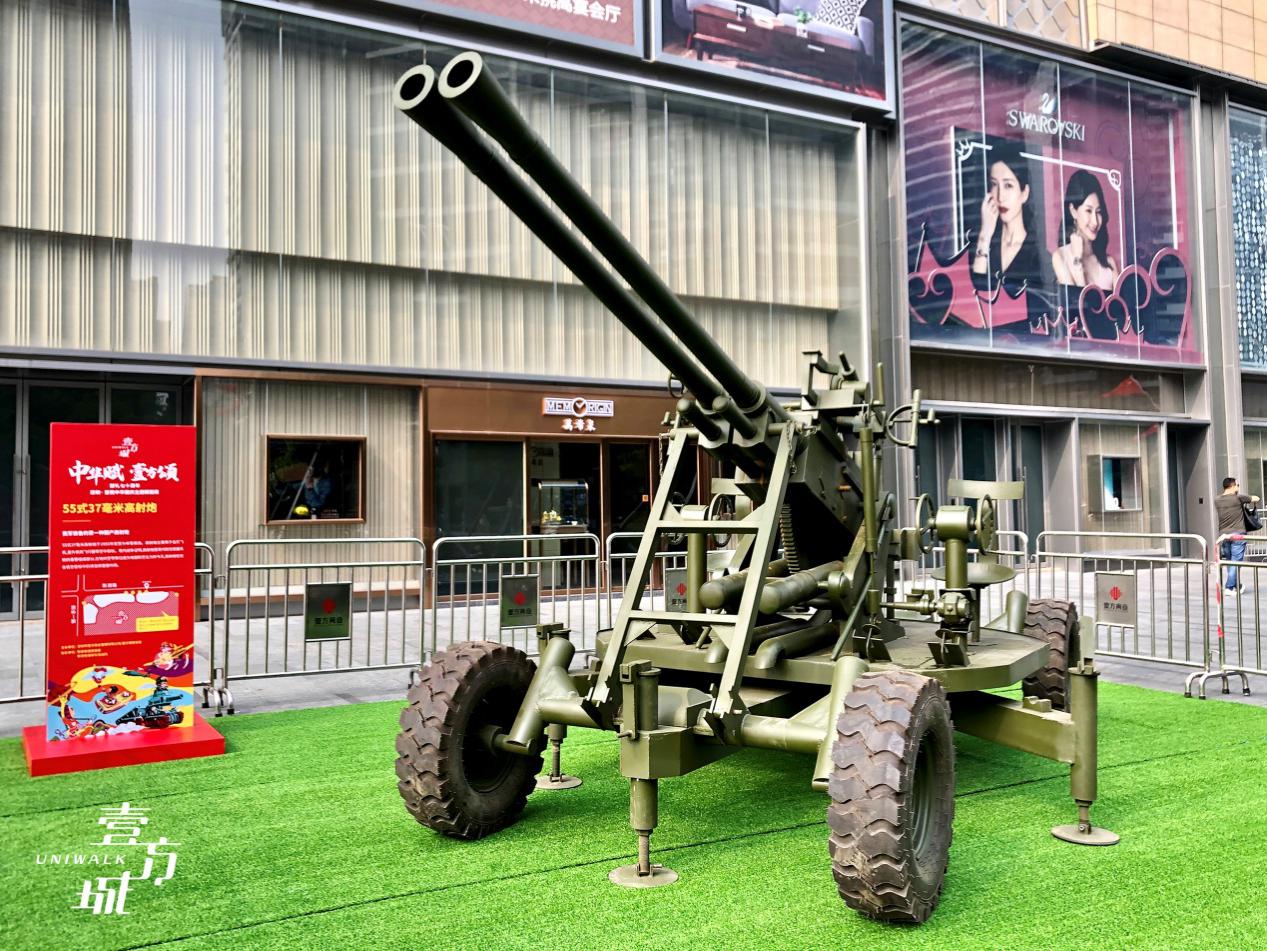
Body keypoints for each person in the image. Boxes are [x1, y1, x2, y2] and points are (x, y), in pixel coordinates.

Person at [970, 143, 1049, 333]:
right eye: (994, 184)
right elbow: (973, 296)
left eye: (1008, 185)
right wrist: (984, 236)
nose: (1000, 196)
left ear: (1024, 193)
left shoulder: (1039, 256)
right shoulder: (984, 243)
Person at [1051, 170, 1118, 290]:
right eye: (1088, 211)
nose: (1095, 221)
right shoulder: (1060, 257)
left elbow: (1120, 302)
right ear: (1073, 211)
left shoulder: (1109, 263)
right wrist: (1077, 260)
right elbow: (1077, 301)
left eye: (1098, 212)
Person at [1215, 477, 1260, 592]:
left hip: (1224, 535)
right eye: (1237, 485)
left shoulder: (1217, 500)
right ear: (1232, 486)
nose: (1238, 487)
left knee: (1230, 562)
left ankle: (1236, 585)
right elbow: (1256, 498)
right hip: (1238, 534)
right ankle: (1229, 587)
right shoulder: (1238, 498)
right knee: (1235, 562)